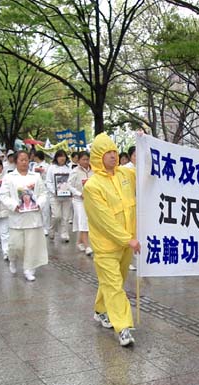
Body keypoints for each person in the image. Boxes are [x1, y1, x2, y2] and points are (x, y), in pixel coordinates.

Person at [84, 133, 140, 346]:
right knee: (115, 286)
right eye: (107, 152)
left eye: (114, 151)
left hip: (126, 244)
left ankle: (100, 310)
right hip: (107, 247)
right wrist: (128, 239)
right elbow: (104, 220)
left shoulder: (125, 174)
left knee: (112, 281)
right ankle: (123, 327)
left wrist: (143, 143)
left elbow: (147, 172)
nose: (113, 156)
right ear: (98, 156)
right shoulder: (92, 186)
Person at [0, 150, 48, 281]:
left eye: (26, 159)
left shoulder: (36, 176)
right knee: (16, 245)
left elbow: (43, 193)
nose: (24, 162)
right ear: (16, 161)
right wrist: (13, 205)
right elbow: (3, 195)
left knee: (31, 245)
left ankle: (29, 269)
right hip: (17, 217)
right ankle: (13, 259)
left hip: (33, 217)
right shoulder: (9, 177)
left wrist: (39, 204)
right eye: (21, 160)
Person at [68, 151, 93, 254]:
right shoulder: (75, 171)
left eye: (87, 159)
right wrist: (79, 193)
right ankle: (87, 246)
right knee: (83, 220)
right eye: (83, 159)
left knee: (88, 221)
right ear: (78, 161)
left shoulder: (93, 171)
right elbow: (69, 185)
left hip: (90, 200)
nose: (86, 161)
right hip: (78, 201)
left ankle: (80, 242)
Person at [45, 149, 72, 242]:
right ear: (56, 158)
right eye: (60, 156)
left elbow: (71, 181)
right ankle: (52, 229)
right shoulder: (51, 168)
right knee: (56, 215)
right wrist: (54, 191)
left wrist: (71, 191)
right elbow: (48, 182)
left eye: (63, 156)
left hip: (67, 196)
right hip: (55, 196)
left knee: (65, 216)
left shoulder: (69, 168)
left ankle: (64, 233)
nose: (62, 158)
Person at [32, 151, 50, 235]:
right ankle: (39, 226)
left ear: (37, 157)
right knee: (37, 208)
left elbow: (48, 178)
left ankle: (46, 227)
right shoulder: (33, 166)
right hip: (35, 189)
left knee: (45, 209)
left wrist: (43, 172)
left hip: (45, 188)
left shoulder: (47, 166)